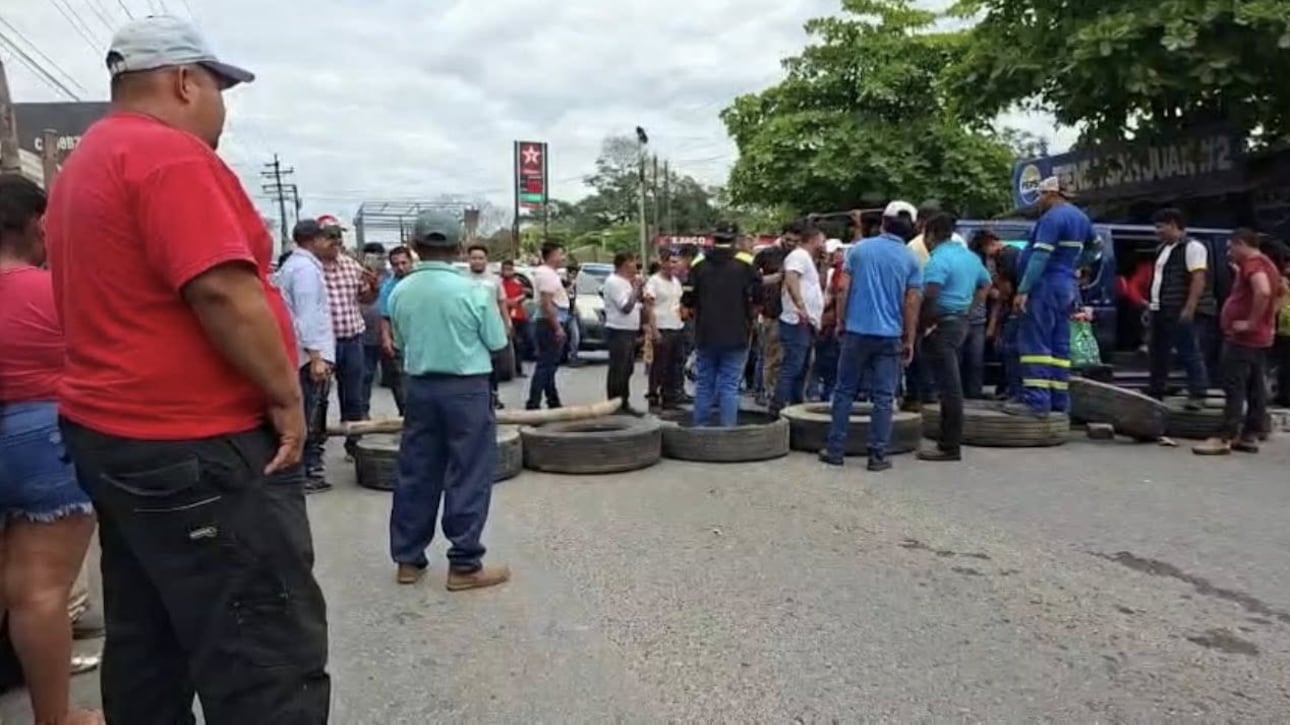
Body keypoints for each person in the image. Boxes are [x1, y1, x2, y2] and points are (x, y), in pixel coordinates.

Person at [46, 16, 329, 723]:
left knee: (151, 639)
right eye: (217, 89)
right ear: (183, 82)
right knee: (262, 651)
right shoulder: (167, 156)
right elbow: (223, 291)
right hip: (196, 445)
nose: (221, 108)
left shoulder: (85, 163)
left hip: (117, 437)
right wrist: (284, 395)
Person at [0, 174, 100, 725]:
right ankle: (54, 718)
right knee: (40, 591)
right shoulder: (55, 291)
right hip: (44, 438)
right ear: (38, 224)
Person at [388, 211, 511, 590]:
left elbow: (401, 342)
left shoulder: (400, 291)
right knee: (469, 472)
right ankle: (464, 565)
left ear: (415, 246)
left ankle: (408, 560)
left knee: (417, 471)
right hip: (466, 389)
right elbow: (497, 342)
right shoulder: (473, 291)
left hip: (420, 389)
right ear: (459, 248)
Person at [820, 202, 922, 470]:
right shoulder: (911, 259)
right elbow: (912, 302)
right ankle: (877, 455)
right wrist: (909, 338)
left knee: (844, 391)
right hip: (889, 336)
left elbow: (842, 289)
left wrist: (841, 321)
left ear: (884, 223)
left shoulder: (859, 250)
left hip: (856, 332)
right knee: (884, 397)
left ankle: (835, 449)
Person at [1001, 177, 1094, 418]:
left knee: (1035, 344)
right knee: (1059, 346)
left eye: (1041, 195)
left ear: (1052, 194)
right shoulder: (1081, 218)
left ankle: (1036, 402)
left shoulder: (1052, 218)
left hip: (1045, 286)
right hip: (1066, 287)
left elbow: (1040, 256)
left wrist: (1023, 289)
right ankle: (1059, 400)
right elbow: (1096, 248)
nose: (1039, 201)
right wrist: (1076, 266)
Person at [1194, 229, 1278, 455]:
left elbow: (1263, 291)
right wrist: (1266, 322)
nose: (1228, 253)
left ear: (1241, 243)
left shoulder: (1253, 264)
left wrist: (1251, 322)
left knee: (1234, 385)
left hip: (1243, 338)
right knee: (1255, 387)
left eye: (1230, 248)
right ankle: (1250, 434)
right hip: (1258, 338)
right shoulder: (1267, 264)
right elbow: (1276, 292)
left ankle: (1224, 436)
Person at [916, 213, 992, 462]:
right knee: (950, 383)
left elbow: (931, 292)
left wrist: (924, 324)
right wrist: (970, 308)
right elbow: (986, 284)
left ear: (930, 235)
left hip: (943, 324)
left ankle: (949, 446)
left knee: (949, 388)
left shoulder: (938, 259)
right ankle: (948, 441)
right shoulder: (970, 257)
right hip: (961, 323)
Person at [275, 219, 338, 493]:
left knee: (309, 411)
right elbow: (307, 315)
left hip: (302, 352)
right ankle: (307, 472)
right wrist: (316, 357)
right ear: (315, 240)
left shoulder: (296, 266)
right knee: (311, 414)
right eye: (326, 238)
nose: (330, 243)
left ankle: (303, 470)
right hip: (308, 355)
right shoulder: (304, 270)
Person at [685, 222, 761, 427]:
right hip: (737, 333)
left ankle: (699, 428)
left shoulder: (699, 262)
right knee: (729, 385)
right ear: (735, 239)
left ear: (713, 238)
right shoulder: (746, 262)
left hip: (705, 333)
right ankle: (728, 432)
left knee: (704, 384)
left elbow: (687, 299)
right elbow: (759, 297)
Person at [318, 214, 378, 458]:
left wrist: (373, 287)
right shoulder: (310, 269)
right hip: (322, 345)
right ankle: (315, 447)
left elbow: (366, 298)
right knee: (319, 396)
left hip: (352, 339)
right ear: (317, 239)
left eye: (338, 236)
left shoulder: (352, 266)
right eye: (330, 236)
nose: (336, 241)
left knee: (353, 395)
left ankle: (354, 445)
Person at [1145, 207, 1214, 408]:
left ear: (1173, 225)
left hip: (1180, 308)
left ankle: (1198, 393)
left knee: (1189, 351)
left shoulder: (1193, 247)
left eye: (1160, 227)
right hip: (1162, 308)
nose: (1157, 232)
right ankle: (1156, 390)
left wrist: (1189, 308)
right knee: (1158, 352)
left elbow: (1198, 278)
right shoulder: (1163, 249)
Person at [771, 224, 825, 416]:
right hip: (797, 320)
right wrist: (800, 305)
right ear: (814, 239)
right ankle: (778, 406)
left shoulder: (806, 258)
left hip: (805, 321)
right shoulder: (799, 256)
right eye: (822, 240)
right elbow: (792, 277)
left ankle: (795, 404)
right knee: (793, 365)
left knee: (802, 366)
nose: (824, 244)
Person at [752, 224, 798, 405]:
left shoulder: (800, 255)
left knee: (785, 357)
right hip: (772, 311)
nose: (791, 243)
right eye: (788, 239)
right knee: (769, 355)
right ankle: (764, 391)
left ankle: (777, 393)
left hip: (792, 312)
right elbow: (753, 279)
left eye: (794, 241)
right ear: (782, 236)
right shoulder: (767, 254)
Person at [465, 244, 513, 409]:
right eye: (474, 258)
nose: (477, 261)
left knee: (493, 364)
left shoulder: (495, 280)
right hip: (469, 330)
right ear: (468, 260)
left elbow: (502, 302)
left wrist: (507, 323)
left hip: (492, 328)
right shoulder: (461, 280)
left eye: (480, 258)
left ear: (486, 260)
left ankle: (493, 395)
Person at [526, 243, 570, 410]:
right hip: (549, 322)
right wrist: (557, 327)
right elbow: (546, 304)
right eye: (560, 254)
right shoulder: (546, 274)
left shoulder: (549, 273)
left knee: (550, 365)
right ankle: (533, 403)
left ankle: (553, 400)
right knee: (546, 366)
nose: (563, 258)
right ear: (551, 255)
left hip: (550, 321)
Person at [602, 252, 646, 415]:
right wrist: (636, 288)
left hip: (629, 330)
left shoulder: (626, 282)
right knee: (618, 369)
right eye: (633, 262)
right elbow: (626, 307)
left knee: (627, 368)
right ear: (624, 264)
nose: (636, 266)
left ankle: (624, 401)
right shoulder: (614, 282)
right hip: (618, 329)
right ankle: (614, 403)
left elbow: (636, 304)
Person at [644, 250, 686, 411]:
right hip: (662, 327)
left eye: (676, 262)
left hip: (676, 326)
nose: (675, 265)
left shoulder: (676, 282)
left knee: (674, 365)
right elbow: (648, 307)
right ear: (663, 262)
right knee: (659, 365)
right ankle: (653, 395)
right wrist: (653, 330)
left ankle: (669, 397)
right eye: (672, 262)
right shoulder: (654, 282)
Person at [378, 245, 414, 416]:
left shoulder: (420, 282)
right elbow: (385, 316)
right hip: (399, 341)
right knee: (401, 382)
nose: (400, 267)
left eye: (404, 263)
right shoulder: (388, 287)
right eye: (396, 264)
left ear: (411, 262)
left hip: (421, 339)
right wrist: (386, 338)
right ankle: (405, 415)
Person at [358, 242, 388, 418]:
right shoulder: (356, 276)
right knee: (365, 375)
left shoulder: (391, 277)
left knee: (397, 379)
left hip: (389, 334)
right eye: (370, 255)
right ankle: (363, 412)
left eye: (378, 256)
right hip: (364, 334)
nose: (375, 260)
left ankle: (405, 414)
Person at [500, 259, 531, 374]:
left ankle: (519, 368)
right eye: (505, 269)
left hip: (519, 316)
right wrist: (512, 301)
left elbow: (523, 295)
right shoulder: (499, 284)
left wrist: (519, 298)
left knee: (520, 343)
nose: (508, 272)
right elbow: (504, 301)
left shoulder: (518, 283)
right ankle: (510, 368)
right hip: (505, 317)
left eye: (510, 269)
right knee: (511, 342)